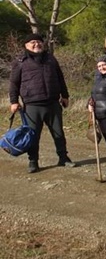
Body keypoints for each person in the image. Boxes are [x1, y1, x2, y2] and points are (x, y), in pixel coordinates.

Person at [9, 33, 73, 173]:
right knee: (33, 135)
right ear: (26, 45)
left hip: (53, 103)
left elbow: (60, 78)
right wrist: (14, 101)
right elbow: (14, 84)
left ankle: (63, 158)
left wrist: (65, 95)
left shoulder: (51, 59)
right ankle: (33, 161)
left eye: (39, 42)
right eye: (32, 42)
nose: (36, 44)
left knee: (58, 133)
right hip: (32, 105)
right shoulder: (20, 62)